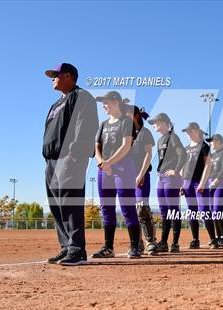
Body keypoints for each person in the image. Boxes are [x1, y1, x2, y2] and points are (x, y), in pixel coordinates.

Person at [43, 63, 98, 266]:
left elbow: (87, 123)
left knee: (70, 201)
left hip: (70, 156)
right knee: (56, 204)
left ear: (68, 76)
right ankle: (66, 246)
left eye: (55, 75)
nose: (52, 79)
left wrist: (76, 152)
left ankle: (77, 250)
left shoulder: (81, 96)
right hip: (52, 159)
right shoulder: (56, 104)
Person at [92, 91, 141, 259]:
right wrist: (101, 162)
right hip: (104, 169)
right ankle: (108, 247)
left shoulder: (126, 121)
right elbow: (97, 146)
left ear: (115, 102)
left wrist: (109, 162)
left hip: (123, 168)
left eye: (106, 102)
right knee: (106, 208)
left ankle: (135, 246)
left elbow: (126, 145)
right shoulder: (103, 124)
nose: (104, 106)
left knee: (127, 207)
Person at [148, 113, 186, 253]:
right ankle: (163, 242)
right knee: (164, 213)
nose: (154, 125)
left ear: (164, 123)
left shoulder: (172, 137)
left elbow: (183, 154)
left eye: (156, 122)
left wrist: (176, 171)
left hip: (171, 179)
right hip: (162, 178)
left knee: (173, 211)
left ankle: (175, 243)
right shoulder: (160, 140)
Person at [125, 105, 158, 255]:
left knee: (142, 207)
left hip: (141, 175)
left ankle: (151, 241)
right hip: (126, 176)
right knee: (131, 210)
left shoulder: (145, 133)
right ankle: (136, 243)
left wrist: (141, 174)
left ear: (136, 115)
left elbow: (148, 155)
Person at [181, 122, 218, 249]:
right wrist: (182, 183)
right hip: (187, 182)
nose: (188, 134)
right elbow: (182, 166)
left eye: (190, 131)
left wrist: (203, 183)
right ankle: (195, 239)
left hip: (199, 182)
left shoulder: (204, 146)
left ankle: (213, 240)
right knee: (191, 211)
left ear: (197, 131)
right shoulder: (186, 148)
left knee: (204, 210)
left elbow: (208, 165)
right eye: (187, 132)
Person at [207, 134, 223, 246]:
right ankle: (217, 236)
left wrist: (215, 181)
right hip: (210, 182)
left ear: (218, 141)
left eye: (212, 141)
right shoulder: (212, 154)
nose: (210, 143)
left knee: (217, 210)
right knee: (212, 212)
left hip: (220, 183)